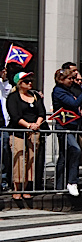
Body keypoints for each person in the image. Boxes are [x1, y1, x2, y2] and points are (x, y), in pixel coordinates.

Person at [52, 68, 82, 196]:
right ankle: (72, 181)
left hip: (72, 125)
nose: (72, 81)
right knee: (75, 150)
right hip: (64, 127)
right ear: (61, 80)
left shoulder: (68, 90)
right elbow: (74, 103)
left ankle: (60, 186)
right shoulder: (59, 91)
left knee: (65, 156)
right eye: (69, 79)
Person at [6, 72, 46, 205]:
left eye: (31, 80)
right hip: (19, 131)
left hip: (34, 131)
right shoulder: (13, 97)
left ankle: (27, 187)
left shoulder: (35, 96)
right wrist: (28, 125)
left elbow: (42, 112)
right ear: (19, 83)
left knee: (31, 160)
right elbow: (15, 115)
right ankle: (17, 188)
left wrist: (37, 124)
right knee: (20, 158)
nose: (30, 83)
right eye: (26, 81)